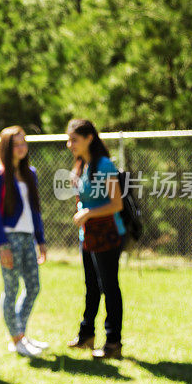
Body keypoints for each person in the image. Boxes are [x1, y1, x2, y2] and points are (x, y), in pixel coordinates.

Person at [65, 118, 125, 360]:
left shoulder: (104, 165)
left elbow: (116, 204)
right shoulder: (83, 165)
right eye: (68, 140)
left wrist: (88, 212)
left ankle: (113, 342)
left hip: (108, 236)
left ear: (89, 138)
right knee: (91, 287)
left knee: (109, 288)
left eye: (74, 139)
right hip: (88, 236)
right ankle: (86, 335)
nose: (70, 144)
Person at [0, 127, 48, 358]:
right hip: (9, 239)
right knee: (11, 290)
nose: (21, 148)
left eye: (24, 143)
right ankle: (16, 338)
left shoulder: (30, 173)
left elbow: (35, 209)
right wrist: (2, 246)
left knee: (33, 287)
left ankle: (21, 333)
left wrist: (41, 240)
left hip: (28, 237)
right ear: (6, 147)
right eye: (16, 144)